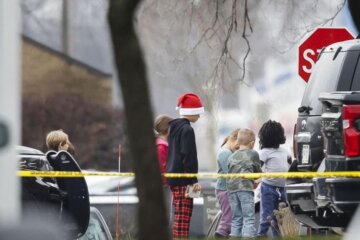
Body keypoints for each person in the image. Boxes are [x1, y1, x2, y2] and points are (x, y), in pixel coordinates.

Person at [166, 92, 204, 238]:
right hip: (184, 180)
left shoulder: (173, 128)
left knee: (179, 217)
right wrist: (193, 180)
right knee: (183, 219)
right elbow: (189, 156)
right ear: (191, 112)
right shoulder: (187, 129)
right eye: (198, 112)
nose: (199, 116)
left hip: (174, 177)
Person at [257, 120, 290, 237]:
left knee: (280, 216)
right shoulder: (264, 152)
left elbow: (291, 165)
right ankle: (261, 234)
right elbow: (256, 168)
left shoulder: (285, 151)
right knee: (267, 214)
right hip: (268, 188)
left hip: (282, 188)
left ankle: (278, 236)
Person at [227, 128, 262, 238]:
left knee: (236, 218)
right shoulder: (253, 154)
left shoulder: (231, 156)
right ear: (252, 143)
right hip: (245, 189)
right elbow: (257, 173)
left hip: (232, 190)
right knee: (248, 218)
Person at [214, 128, 241, 238]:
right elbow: (230, 173)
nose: (238, 150)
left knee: (230, 217)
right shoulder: (225, 153)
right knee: (228, 218)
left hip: (227, 189)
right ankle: (220, 235)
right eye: (238, 146)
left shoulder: (227, 151)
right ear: (233, 138)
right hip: (224, 190)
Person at [154, 114, 174, 227]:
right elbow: (162, 167)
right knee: (165, 219)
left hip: (165, 185)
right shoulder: (161, 147)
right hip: (164, 186)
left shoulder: (161, 145)